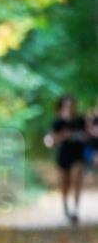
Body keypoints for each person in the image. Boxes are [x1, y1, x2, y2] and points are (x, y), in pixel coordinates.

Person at [48, 95, 86, 225]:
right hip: (63, 155)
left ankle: (75, 210)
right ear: (62, 106)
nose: (69, 107)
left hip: (77, 155)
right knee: (65, 184)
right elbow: (51, 139)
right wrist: (62, 136)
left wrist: (77, 136)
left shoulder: (80, 119)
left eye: (71, 105)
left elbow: (87, 135)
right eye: (67, 105)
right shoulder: (57, 121)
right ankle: (65, 208)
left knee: (76, 179)